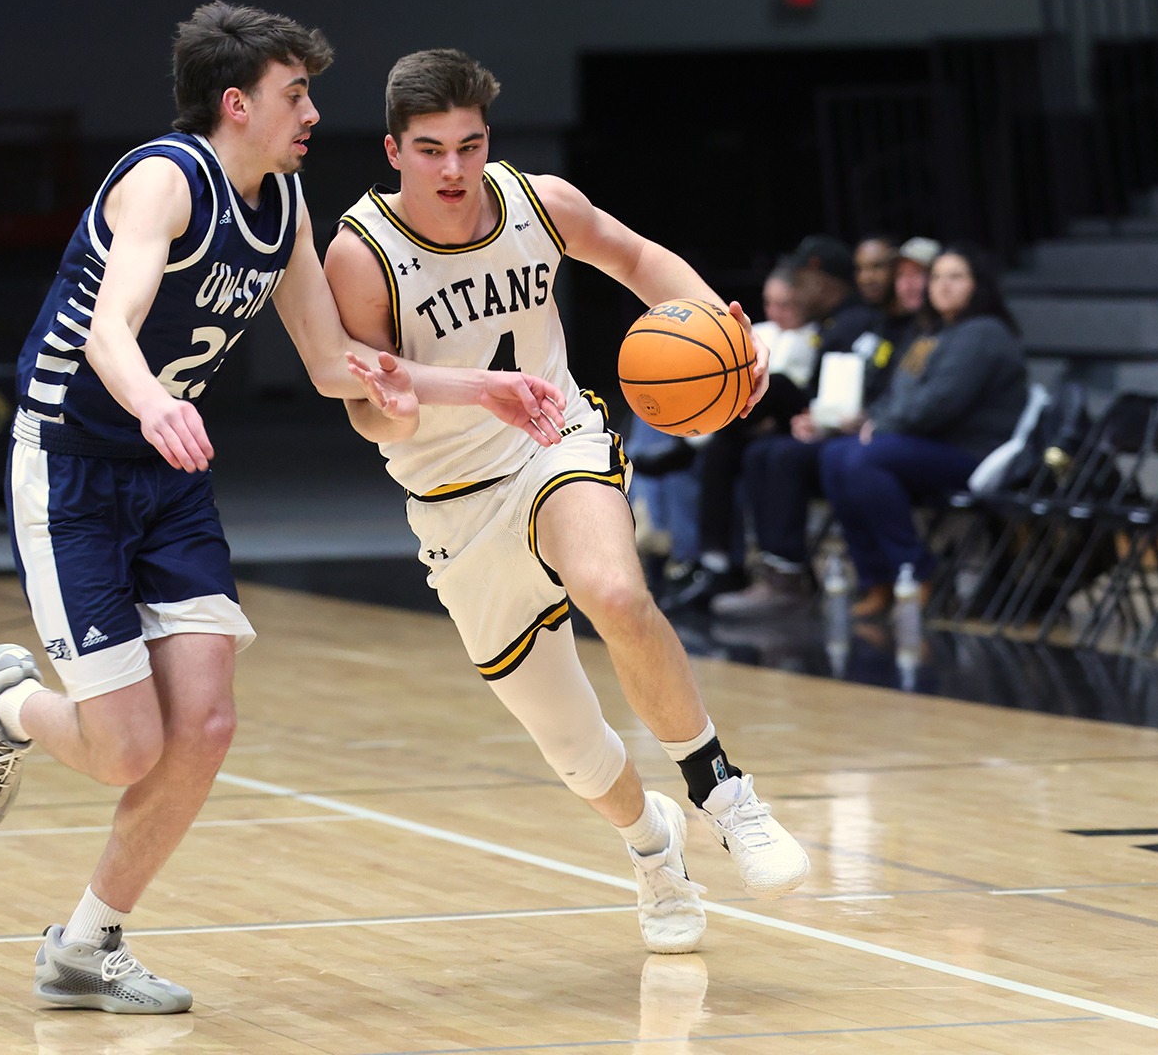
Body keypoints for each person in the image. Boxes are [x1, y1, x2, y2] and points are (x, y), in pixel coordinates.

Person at [0, 5, 566, 1015]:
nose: (313, 113)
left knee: (207, 724)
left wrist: (478, 388)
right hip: (72, 470)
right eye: (297, 94)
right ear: (237, 103)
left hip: (168, 477)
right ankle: (13, 703)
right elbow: (110, 330)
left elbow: (332, 363)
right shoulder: (164, 181)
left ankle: (85, 946)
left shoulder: (283, 203)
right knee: (126, 749)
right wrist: (152, 403)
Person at [324, 48, 813, 956]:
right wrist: (393, 410)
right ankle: (653, 848)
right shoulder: (361, 253)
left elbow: (637, 258)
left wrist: (730, 337)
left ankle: (727, 794)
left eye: (470, 145)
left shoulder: (538, 202)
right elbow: (365, 411)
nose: (455, 169)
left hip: (554, 445)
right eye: (431, 150)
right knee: (577, 750)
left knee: (616, 591)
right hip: (453, 501)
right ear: (393, 151)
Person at [713, 237, 940, 618]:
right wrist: (825, 419)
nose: (901, 283)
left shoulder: (937, 332)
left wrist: (867, 421)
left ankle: (895, 574)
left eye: (911, 275)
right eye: (901, 275)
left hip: (910, 439)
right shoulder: (877, 323)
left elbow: (926, 400)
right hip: (862, 431)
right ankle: (786, 573)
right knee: (763, 451)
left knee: (804, 454)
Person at [667, 234, 891, 610]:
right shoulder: (814, 323)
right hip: (803, 421)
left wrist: (823, 421)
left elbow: (851, 392)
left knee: (774, 394)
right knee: (734, 449)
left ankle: (786, 574)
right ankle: (724, 566)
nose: (793, 291)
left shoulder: (856, 322)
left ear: (823, 282)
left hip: (835, 425)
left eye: (800, 281)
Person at [819, 244, 1027, 617]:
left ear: (977, 285)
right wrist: (872, 421)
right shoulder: (931, 332)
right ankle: (877, 578)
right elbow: (897, 393)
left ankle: (915, 571)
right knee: (834, 456)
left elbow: (940, 404)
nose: (943, 286)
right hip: (922, 444)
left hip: (972, 453)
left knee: (865, 459)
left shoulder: (984, 333)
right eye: (937, 277)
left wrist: (879, 427)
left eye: (956, 277)